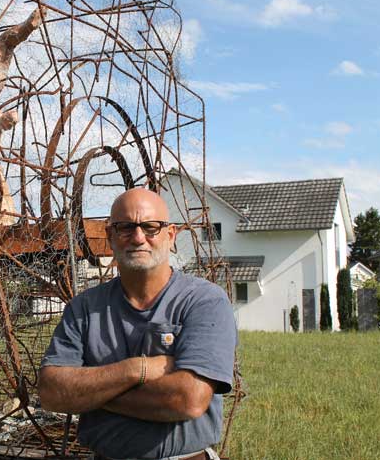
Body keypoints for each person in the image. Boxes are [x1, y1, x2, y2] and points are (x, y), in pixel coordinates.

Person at [38, 188, 237, 460]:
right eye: (125, 227)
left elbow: (188, 399)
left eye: (151, 227)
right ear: (110, 236)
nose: (138, 237)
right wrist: (137, 369)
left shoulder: (203, 301)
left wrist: (92, 393)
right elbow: (51, 392)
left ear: (170, 235)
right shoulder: (84, 308)